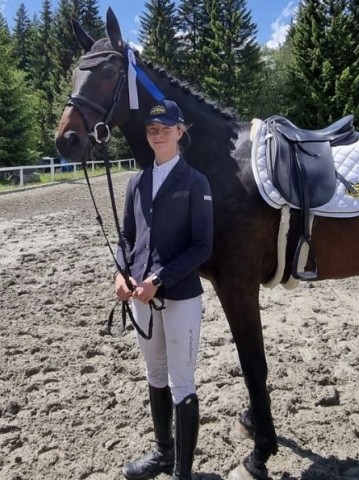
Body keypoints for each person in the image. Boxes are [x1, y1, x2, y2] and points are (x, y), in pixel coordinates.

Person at [114, 99, 213, 480]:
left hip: (180, 296)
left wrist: (160, 278)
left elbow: (203, 246)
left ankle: (182, 473)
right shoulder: (137, 181)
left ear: (180, 131)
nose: (158, 135)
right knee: (154, 374)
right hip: (139, 295)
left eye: (165, 128)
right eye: (152, 130)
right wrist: (120, 273)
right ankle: (162, 454)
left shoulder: (196, 182)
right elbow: (127, 236)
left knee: (181, 381)